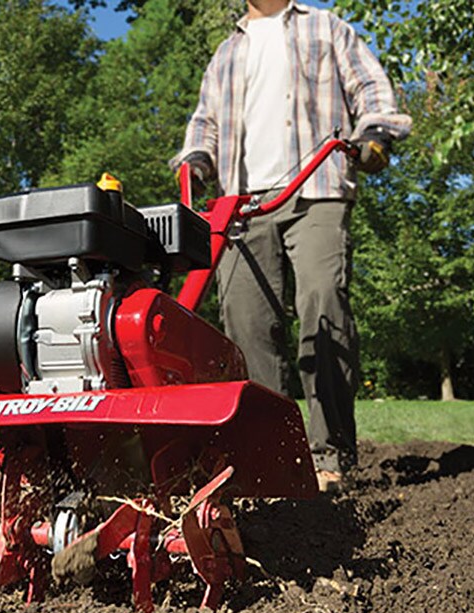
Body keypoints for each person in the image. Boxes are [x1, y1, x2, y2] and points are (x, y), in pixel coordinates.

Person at [171, 0, 410, 491]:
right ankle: (269, 457)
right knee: (245, 323)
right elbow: (205, 121)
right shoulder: (228, 50)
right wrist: (196, 155)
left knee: (321, 301)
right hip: (240, 205)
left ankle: (331, 454)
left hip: (316, 188)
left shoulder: (326, 27)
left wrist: (377, 132)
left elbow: (371, 88)